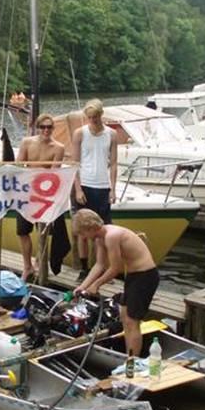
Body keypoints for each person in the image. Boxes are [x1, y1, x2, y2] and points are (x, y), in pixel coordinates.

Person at [72, 209, 159, 356]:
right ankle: (129, 356)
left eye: (82, 234)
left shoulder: (111, 236)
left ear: (90, 229)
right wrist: (82, 287)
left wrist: (96, 285)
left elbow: (115, 268)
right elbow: (99, 265)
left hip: (145, 276)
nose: (83, 238)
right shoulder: (99, 239)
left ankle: (132, 362)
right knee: (125, 317)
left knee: (132, 321)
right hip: (133, 277)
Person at [71, 99, 118, 281]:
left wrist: (113, 189)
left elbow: (113, 163)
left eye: (96, 117)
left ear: (101, 115)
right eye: (89, 117)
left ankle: (103, 268)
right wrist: (78, 189)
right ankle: (84, 269)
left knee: (103, 230)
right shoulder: (80, 134)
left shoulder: (111, 134)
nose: (93, 120)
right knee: (83, 231)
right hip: (85, 185)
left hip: (102, 185)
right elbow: (74, 163)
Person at [15, 113, 65, 281]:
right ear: (37, 127)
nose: (46, 130)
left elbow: (54, 172)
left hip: (44, 193)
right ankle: (27, 266)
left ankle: (38, 261)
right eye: (42, 127)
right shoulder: (26, 142)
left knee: (43, 230)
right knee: (22, 230)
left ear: (53, 128)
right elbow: (18, 164)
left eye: (49, 127)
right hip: (26, 191)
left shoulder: (58, 148)